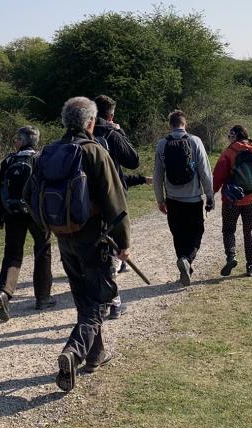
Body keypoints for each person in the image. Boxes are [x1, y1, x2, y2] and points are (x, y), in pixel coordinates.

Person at [27, 97, 130, 392]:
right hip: (93, 238)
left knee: (83, 297)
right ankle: (74, 350)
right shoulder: (94, 152)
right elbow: (116, 203)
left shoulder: (46, 152)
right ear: (90, 122)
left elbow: (28, 196)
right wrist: (123, 242)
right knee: (100, 299)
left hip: (64, 237)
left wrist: (50, 224)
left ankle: (96, 354)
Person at [0, 126, 55, 321]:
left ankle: (4, 293)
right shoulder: (42, 159)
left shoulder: (9, 160)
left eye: (16, 139)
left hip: (13, 213)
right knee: (42, 250)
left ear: (21, 141)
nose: (14, 142)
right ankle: (42, 298)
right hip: (37, 214)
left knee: (12, 254)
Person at [153, 110, 214, 286]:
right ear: (185, 124)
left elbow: (157, 176)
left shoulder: (162, 145)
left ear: (169, 125)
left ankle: (182, 260)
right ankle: (187, 259)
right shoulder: (195, 141)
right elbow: (205, 171)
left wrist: (160, 199)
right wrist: (210, 196)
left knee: (178, 234)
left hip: (173, 200)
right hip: (193, 199)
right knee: (196, 232)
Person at [93, 94, 139, 320]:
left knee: (97, 248)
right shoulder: (111, 133)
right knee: (111, 249)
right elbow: (133, 160)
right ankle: (112, 301)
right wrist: (119, 132)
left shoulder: (83, 134)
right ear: (111, 114)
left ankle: (102, 299)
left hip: (85, 200)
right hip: (112, 198)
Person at [212, 125, 252, 277]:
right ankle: (251, 265)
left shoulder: (228, 152)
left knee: (229, 230)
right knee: (248, 232)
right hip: (250, 200)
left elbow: (218, 176)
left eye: (229, 135)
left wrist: (212, 193)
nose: (228, 138)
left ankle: (231, 257)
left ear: (235, 135)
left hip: (231, 201)